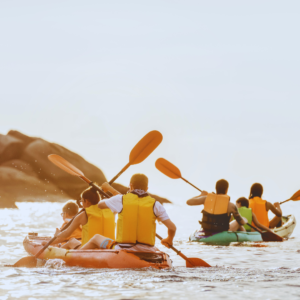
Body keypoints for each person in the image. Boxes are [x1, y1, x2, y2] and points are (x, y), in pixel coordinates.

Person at [80, 173, 177, 250]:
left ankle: (77, 255)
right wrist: (169, 239)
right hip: (147, 249)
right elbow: (172, 228)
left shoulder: (121, 199)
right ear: (146, 189)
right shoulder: (156, 204)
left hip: (123, 249)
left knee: (96, 238)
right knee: (155, 248)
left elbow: (100, 205)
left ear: (130, 186)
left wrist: (111, 194)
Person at [50, 186, 115, 249]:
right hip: (109, 249)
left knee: (72, 241)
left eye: (82, 202)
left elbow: (66, 233)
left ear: (86, 201)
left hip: (88, 250)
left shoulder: (83, 215)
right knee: (73, 240)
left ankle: (53, 253)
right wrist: (110, 188)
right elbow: (121, 200)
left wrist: (58, 234)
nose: (82, 205)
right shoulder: (111, 211)